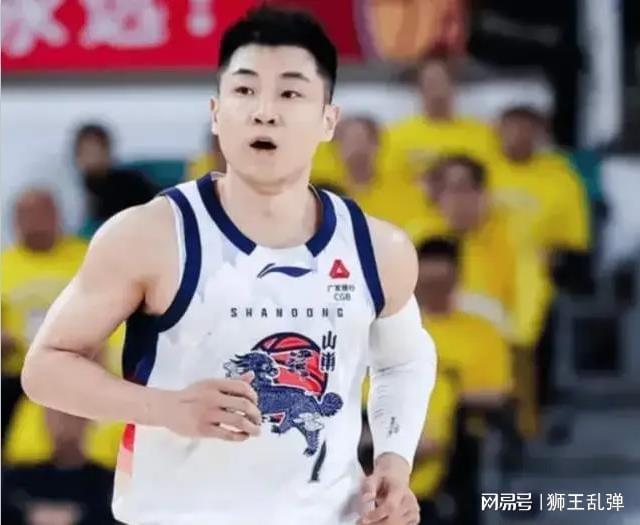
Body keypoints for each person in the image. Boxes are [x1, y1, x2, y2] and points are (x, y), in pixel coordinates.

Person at [22, 6, 436, 525]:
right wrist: (165, 408)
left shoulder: (378, 248)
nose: (264, 112)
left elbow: (405, 361)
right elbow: (44, 369)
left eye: (290, 93)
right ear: (217, 113)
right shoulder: (150, 234)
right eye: (245, 90)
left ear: (328, 120)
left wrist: (394, 461)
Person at [1, 190, 88, 444]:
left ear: (57, 216)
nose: (35, 222)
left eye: (42, 213)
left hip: (80, 362)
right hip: (18, 369)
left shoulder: (88, 256)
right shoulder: (4, 265)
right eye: (26, 215)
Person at [2, 409, 116, 525]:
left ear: (87, 421)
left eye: (69, 417)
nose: (62, 426)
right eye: (54, 416)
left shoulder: (107, 484)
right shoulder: (16, 479)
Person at [73, 123, 157, 239]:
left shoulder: (130, 184)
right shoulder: (76, 187)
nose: (90, 158)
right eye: (85, 152)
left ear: (107, 152)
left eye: (94, 151)